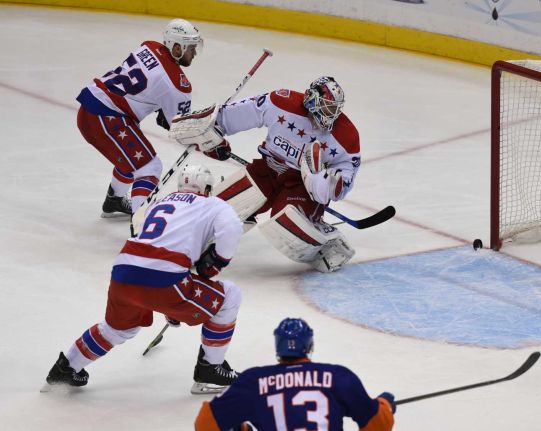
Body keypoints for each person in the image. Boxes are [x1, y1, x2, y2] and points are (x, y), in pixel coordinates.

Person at [44, 164, 244, 394]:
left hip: (124, 270)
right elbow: (232, 227)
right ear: (208, 187)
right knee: (230, 295)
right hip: (165, 277)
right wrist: (217, 260)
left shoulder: (160, 202)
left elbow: (159, 243)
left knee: (117, 328)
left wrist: (174, 305)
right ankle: (211, 369)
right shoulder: (212, 204)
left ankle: (65, 369)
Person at [169, 76, 359, 273]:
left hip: (301, 185)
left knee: (285, 224)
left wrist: (326, 185)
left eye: (336, 108)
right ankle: (185, 245)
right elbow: (240, 114)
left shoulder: (347, 136)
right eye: (328, 107)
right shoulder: (281, 103)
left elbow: (344, 179)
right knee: (213, 209)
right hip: (267, 170)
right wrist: (212, 132)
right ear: (311, 99)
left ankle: (328, 246)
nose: (333, 115)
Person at [76, 18, 223, 218]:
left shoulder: (149, 46)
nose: (194, 53)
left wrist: (164, 113)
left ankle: (114, 200)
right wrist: (211, 143)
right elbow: (181, 128)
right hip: (105, 118)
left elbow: (149, 87)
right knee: (149, 167)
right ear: (177, 48)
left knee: (132, 156)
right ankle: (141, 228)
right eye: (191, 48)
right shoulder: (178, 84)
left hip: (94, 110)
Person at [194, 317, 396, 431]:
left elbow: (204, 424)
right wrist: (384, 405)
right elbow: (378, 426)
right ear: (309, 345)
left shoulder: (253, 382)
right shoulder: (338, 377)